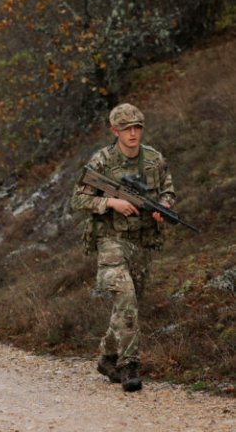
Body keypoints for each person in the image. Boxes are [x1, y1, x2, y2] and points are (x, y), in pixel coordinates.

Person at [71, 103, 175, 392]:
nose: (133, 133)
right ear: (115, 130)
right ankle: (129, 366)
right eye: (127, 128)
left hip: (142, 241)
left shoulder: (154, 159)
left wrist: (164, 206)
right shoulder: (102, 161)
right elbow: (78, 200)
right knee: (126, 299)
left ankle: (107, 356)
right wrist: (110, 202)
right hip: (111, 240)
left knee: (128, 306)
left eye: (137, 127)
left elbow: (168, 189)